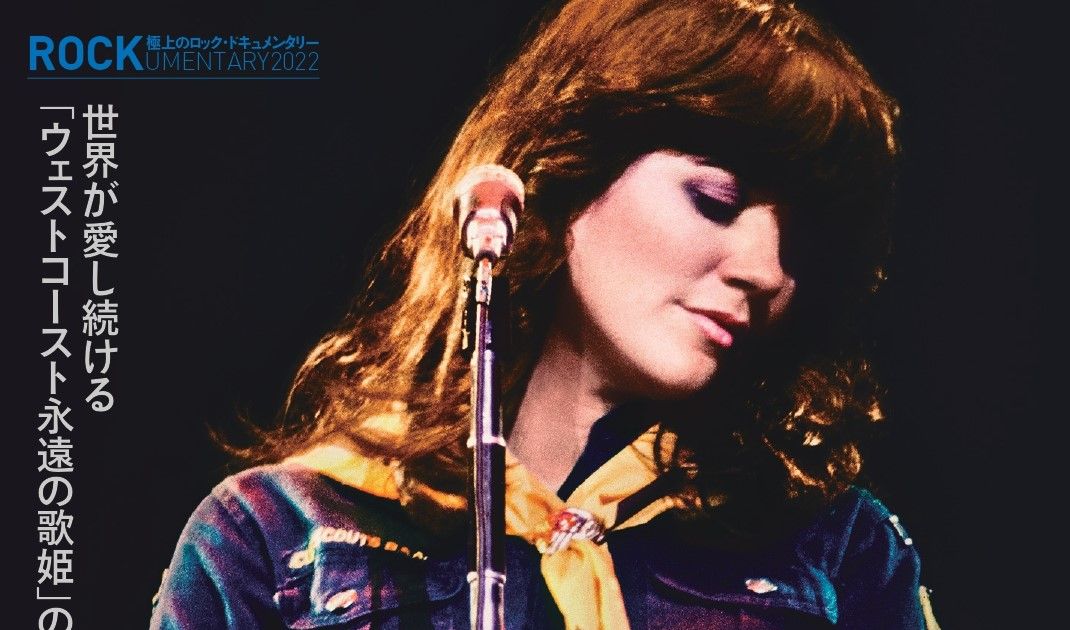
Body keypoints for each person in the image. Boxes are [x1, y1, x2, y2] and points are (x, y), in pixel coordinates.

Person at [151, 0, 941, 628]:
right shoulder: (275, 532)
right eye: (715, 199)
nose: (766, 272)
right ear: (567, 167)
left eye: (800, 245)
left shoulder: (843, 551)